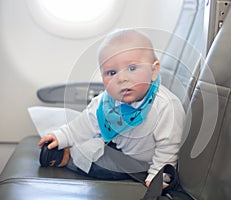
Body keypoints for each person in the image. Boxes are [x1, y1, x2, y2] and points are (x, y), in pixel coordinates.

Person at [38, 28, 186, 187]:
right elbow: (83, 124)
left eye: (132, 68)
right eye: (111, 72)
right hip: (117, 147)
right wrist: (61, 136)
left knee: (101, 167)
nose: (121, 78)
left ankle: (68, 158)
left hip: (142, 163)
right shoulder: (106, 102)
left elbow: (168, 147)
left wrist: (158, 176)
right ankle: (68, 148)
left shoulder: (166, 106)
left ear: (154, 71)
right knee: (92, 141)